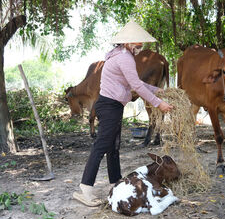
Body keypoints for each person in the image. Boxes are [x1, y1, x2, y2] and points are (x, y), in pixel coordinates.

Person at [73, 20, 173, 207]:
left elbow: (133, 83)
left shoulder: (120, 55)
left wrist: (157, 90)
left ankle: (115, 182)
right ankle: (85, 189)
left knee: (113, 146)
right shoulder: (125, 58)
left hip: (112, 105)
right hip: (109, 105)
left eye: (141, 42)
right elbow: (135, 86)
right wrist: (159, 104)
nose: (140, 46)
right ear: (127, 42)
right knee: (102, 145)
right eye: (137, 42)